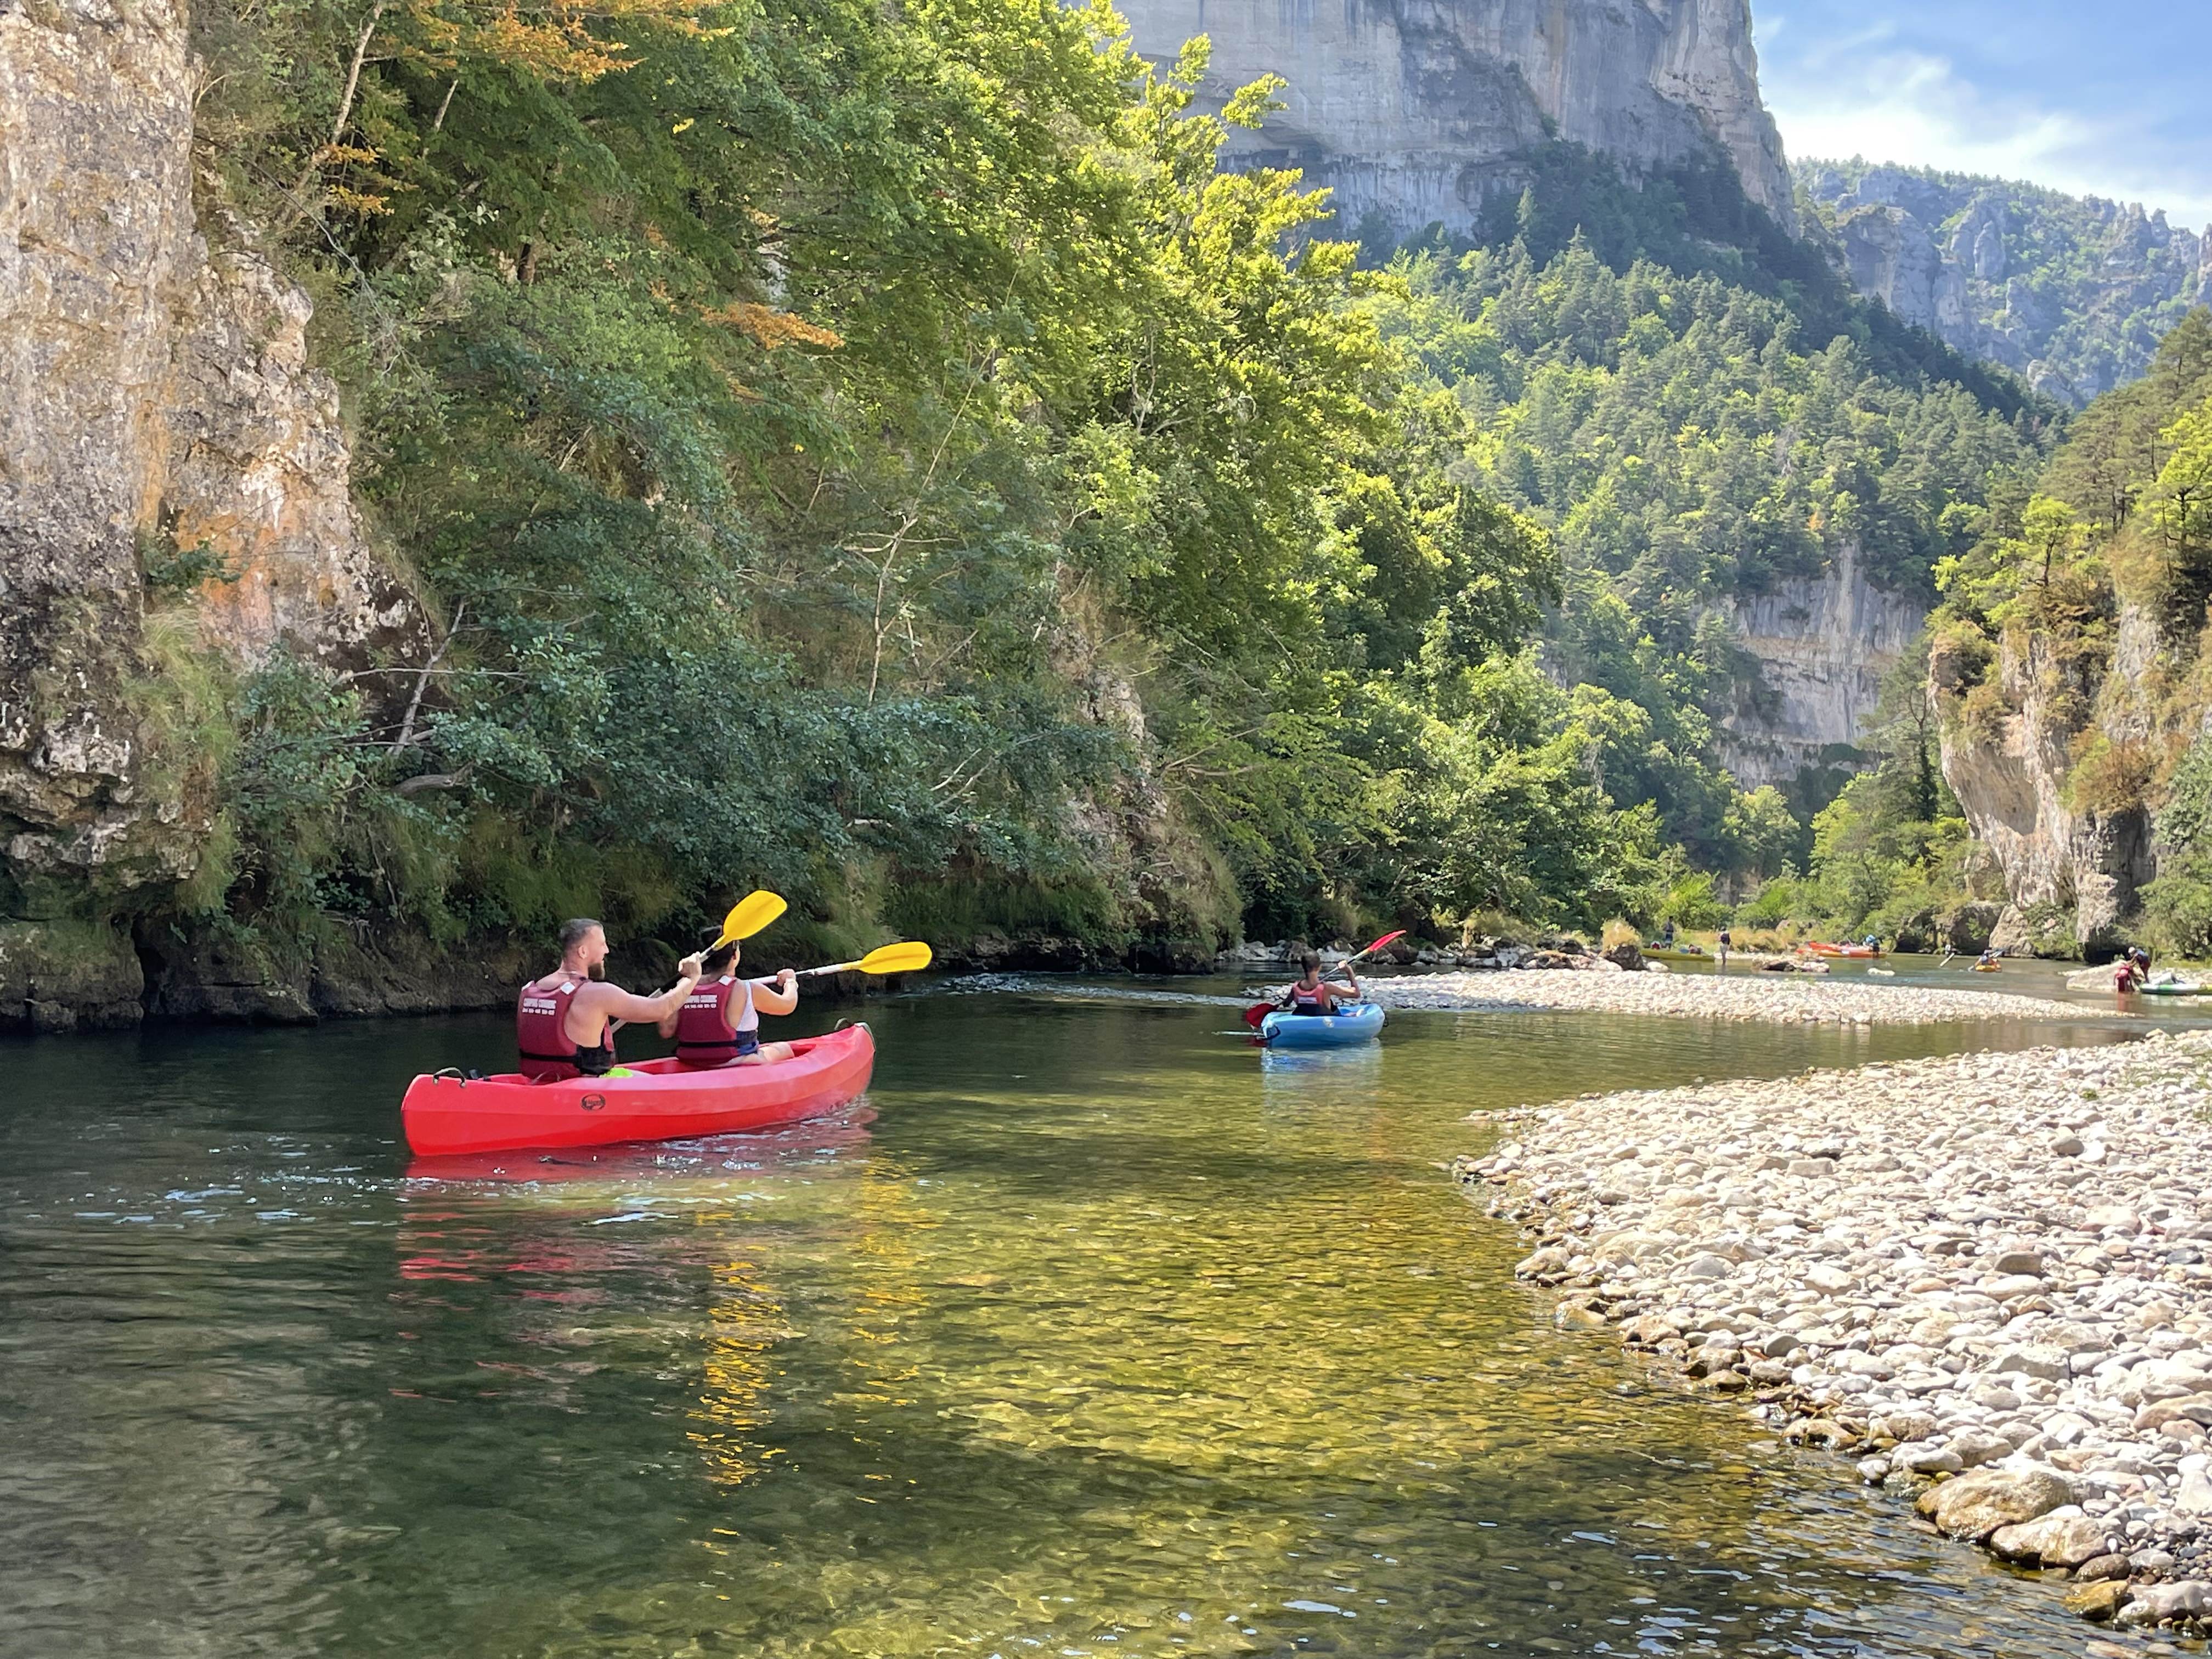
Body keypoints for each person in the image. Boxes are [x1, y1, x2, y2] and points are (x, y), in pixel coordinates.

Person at [517, 918, 703, 1081]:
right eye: (602, 944)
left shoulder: (532, 989)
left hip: (539, 1081)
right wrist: (691, 979)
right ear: (583, 952)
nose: (607, 950)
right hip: (587, 1087)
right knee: (663, 1083)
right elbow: (661, 1010)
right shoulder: (597, 993)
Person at [663, 939, 799, 1065]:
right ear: (734, 956)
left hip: (690, 1061)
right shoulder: (744, 988)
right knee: (784, 1048)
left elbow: (666, 1031)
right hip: (738, 1061)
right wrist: (790, 981)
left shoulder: (681, 987)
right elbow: (788, 1005)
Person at [1280, 950, 1360, 1015]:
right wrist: (1349, 971)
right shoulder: (1327, 988)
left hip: (1304, 1021)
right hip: (1325, 1023)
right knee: (1353, 1014)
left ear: (1303, 967)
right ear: (1320, 967)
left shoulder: (1295, 988)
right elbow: (1356, 994)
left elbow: (1285, 1005)